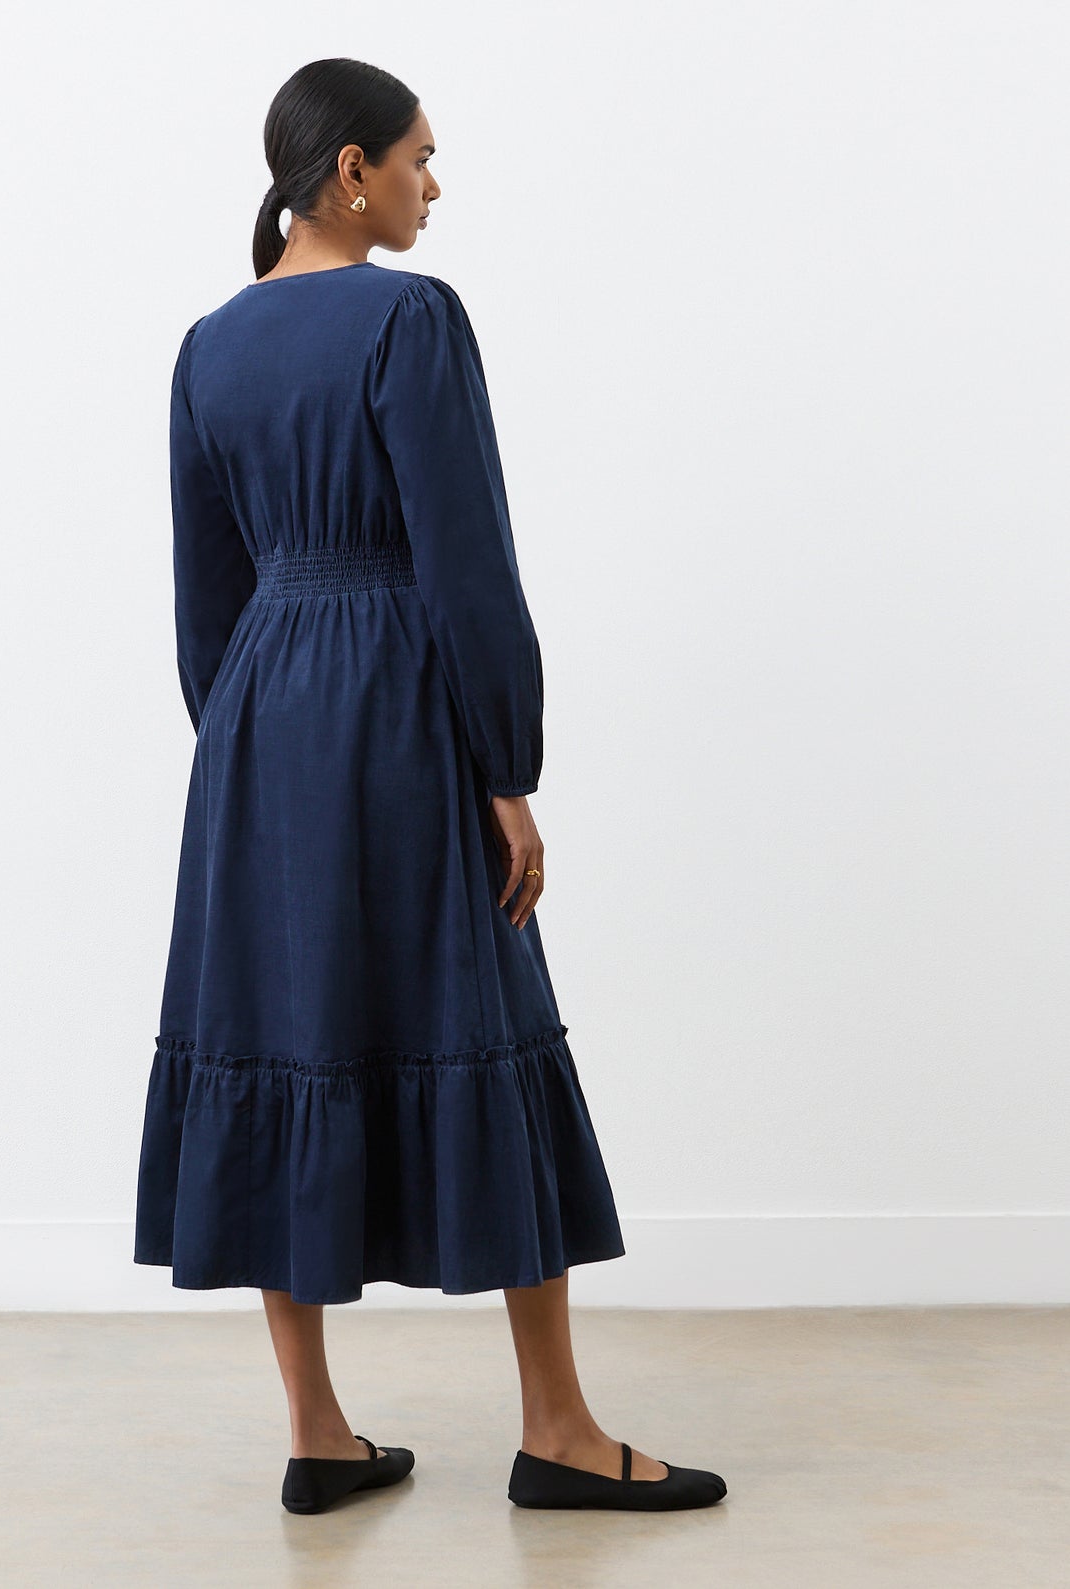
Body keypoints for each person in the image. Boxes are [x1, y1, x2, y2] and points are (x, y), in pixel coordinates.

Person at [134, 58, 727, 1515]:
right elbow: (466, 562)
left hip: (263, 727)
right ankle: (560, 1431)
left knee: (279, 1029)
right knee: (489, 1012)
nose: (431, 186)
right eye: (417, 158)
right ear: (348, 170)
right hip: (398, 705)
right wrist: (505, 769)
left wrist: (251, 754)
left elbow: (202, 602)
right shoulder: (410, 316)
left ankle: (318, 1431)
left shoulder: (207, 343)